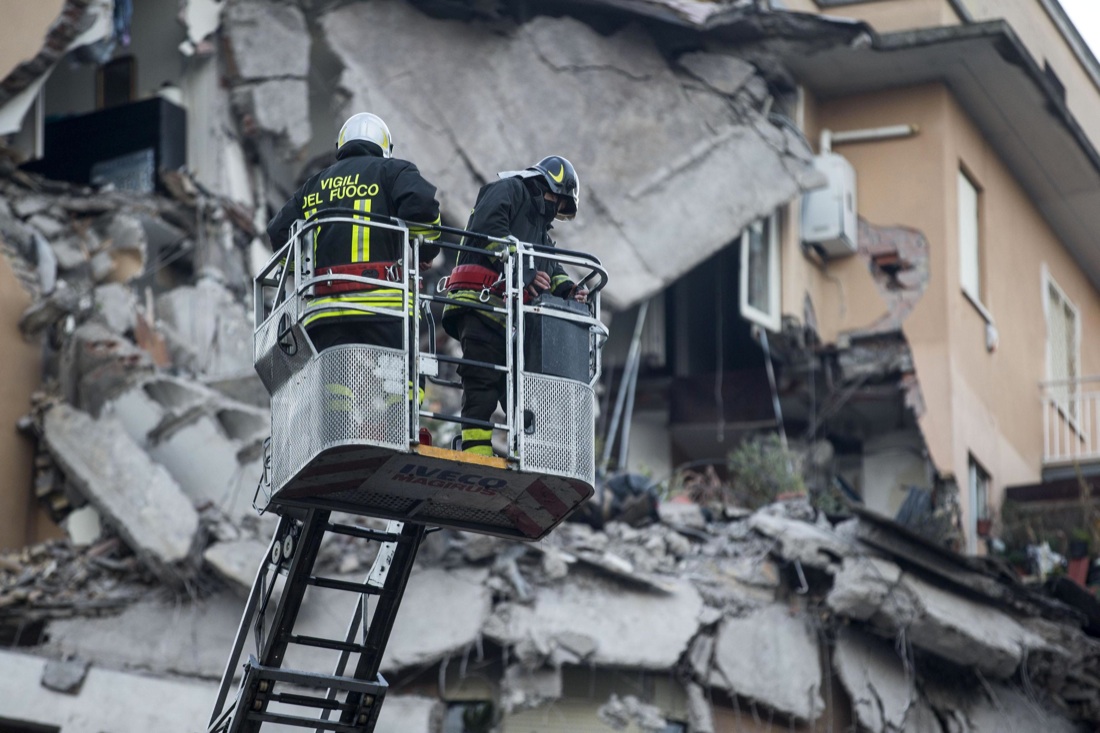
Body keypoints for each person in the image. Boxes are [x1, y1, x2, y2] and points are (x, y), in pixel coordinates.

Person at [441, 155, 587, 457]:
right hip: (480, 305)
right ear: (550, 186)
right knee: (482, 382)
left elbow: (551, 265)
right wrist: (525, 271)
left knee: (521, 392)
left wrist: (569, 290)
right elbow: (489, 229)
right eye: (558, 203)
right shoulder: (508, 189)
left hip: (508, 319)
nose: (556, 210)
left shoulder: (538, 228)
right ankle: (476, 454)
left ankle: (527, 454)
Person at [267, 112, 441, 352]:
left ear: (341, 146)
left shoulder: (314, 185)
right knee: (396, 374)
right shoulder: (394, 171)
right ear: (385, 147)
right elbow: (422, 206)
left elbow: (278, 231)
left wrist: (302, 269)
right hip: (383, 308)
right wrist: (426, 252)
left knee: (336, 375)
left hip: (324, 314)